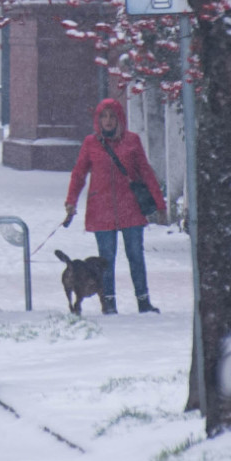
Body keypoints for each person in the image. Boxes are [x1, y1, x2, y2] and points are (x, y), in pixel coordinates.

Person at [63, 98, 167, 314]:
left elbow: (146, 172)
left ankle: (143, 301)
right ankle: (108, 302)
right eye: (104, 116)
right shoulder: (91, 143)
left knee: (136, 256)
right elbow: (79, 173)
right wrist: (71, 201)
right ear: (98, 120)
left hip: (130, 208)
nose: (108, 121)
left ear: (120, 118)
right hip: (101, 210)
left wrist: (160, 204)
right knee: (105, 261)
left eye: (112, 116)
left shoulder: (132, 141)